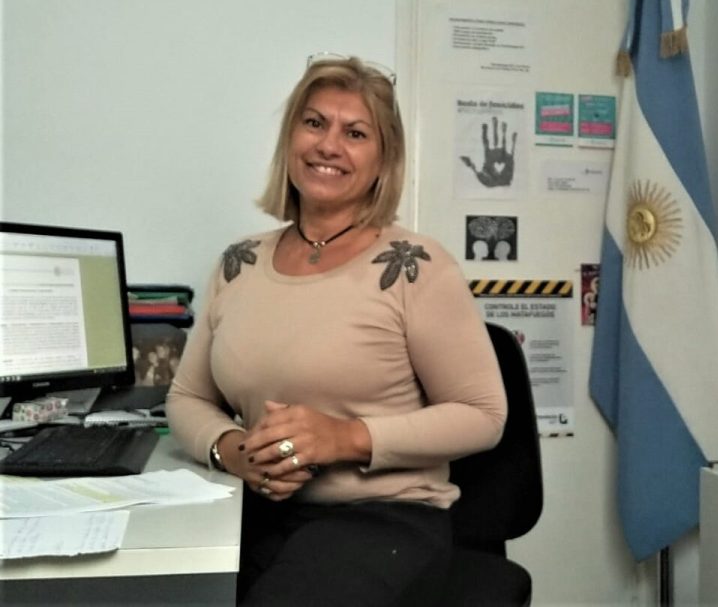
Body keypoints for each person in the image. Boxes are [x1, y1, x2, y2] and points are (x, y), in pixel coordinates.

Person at [165, 54, 507, 607]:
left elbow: (483, 414)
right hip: (256, 509)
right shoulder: (239, 263)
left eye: (355, 133)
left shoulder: (416, 266)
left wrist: (343, 438)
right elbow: (187, 397)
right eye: (314, 123)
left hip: (383, 518)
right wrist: (232, 451)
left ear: (383, 158)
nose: (329, 145)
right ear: (290, 138)